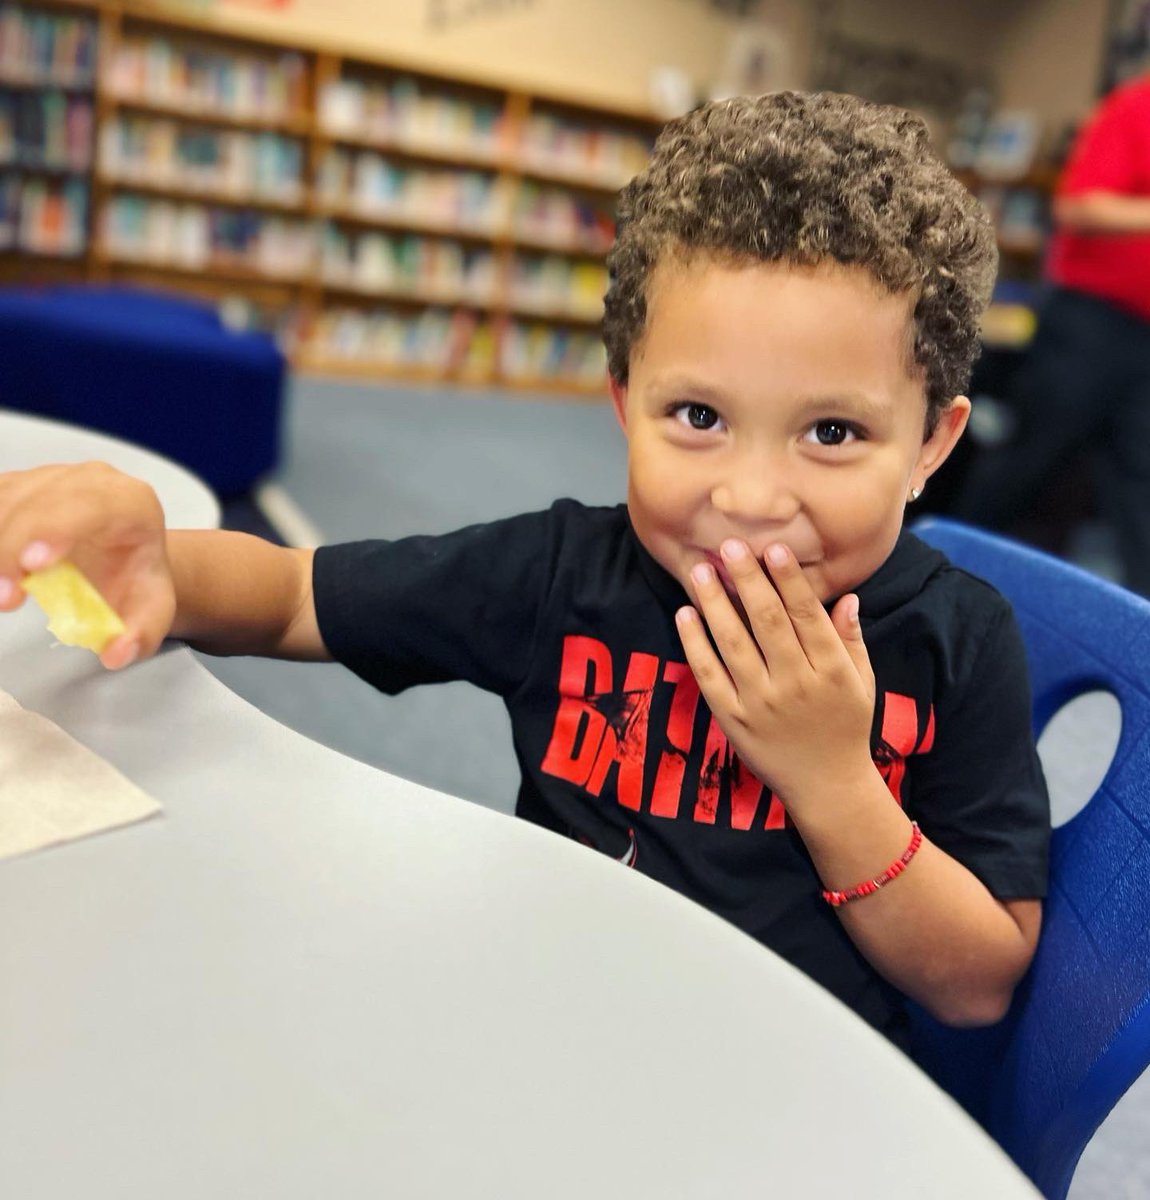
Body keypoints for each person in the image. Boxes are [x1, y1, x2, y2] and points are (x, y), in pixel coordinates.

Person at [0, 92, 1049, 1049]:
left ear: (927, 445)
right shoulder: (558, 575)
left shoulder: (956, 642)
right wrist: (158, 567)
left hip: (795, 1087)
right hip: (538, 1030)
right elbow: (289, 598)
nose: (751, 496)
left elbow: (977, 983)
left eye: (830, 431)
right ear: (620, 401)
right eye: (696, 417)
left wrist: (833, 781)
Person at [954, 73, 1150, 595]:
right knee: (1026, 461)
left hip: (1145, 340)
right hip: (1093, 323)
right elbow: (1078, 205)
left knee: (1140, 490)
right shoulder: (1135, 108)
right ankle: (941, 571)